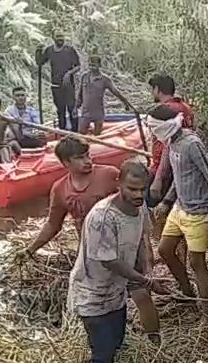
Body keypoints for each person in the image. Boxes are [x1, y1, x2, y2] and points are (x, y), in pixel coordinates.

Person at [21, 137, 162, 341]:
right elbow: (53, 224)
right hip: (93, 255)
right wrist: (29, 250)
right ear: (65, 163)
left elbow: (137, 210)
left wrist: (146, 250)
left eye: (88, 155)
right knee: (101, 301)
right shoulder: (60, 189)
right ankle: (109, 342)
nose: (87, 161)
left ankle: (155, 343)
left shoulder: (109, 175)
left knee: (140, 293)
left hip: (125, 248)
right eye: (80, 158)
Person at [68, 160, 166, 363]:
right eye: (132, 189)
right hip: (93, 293)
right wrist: (146, 282)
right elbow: (109, 261)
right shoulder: (102, 217)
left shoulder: (139, 210)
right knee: (103, 355)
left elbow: (142, 241)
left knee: (118, 342)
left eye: (142, 189)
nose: (138, 194)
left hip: (116, 291)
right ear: (118, 183)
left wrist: (147, 272)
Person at [152, 113, 208, 315]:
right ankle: (187, 294)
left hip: (198, 212)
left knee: (196, 262)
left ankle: (207, 317)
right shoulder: (171, 143)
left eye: (153, 128)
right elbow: (180, 175)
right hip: (179, 208)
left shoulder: (192, 144)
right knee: (165, 250)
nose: (152, 133)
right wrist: (167, 200)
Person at [67, 54, 135, 136]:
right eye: (90, 65)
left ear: (99, 65)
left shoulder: (104, 79)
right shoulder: (85, 77)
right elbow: (80, 94)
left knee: (98, 136)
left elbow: (115, 92)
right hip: (85, 112)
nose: (91, 67)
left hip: (98, 113)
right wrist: (75, 107)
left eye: (94, 65)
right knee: (81, 133)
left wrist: (125, 102)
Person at [38, 33, 82, 131]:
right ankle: (62, 131)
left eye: (62, 36)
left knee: (71, 108)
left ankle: (76, 132)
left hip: (68, 85)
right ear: (53, 38)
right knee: (60, 110)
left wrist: (69, 73)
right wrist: (38, 52)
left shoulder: (69, 50)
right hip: (56, 85)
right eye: (58, 37)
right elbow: (40, 62)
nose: (60, 39)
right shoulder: (49, 50)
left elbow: (78, 66)